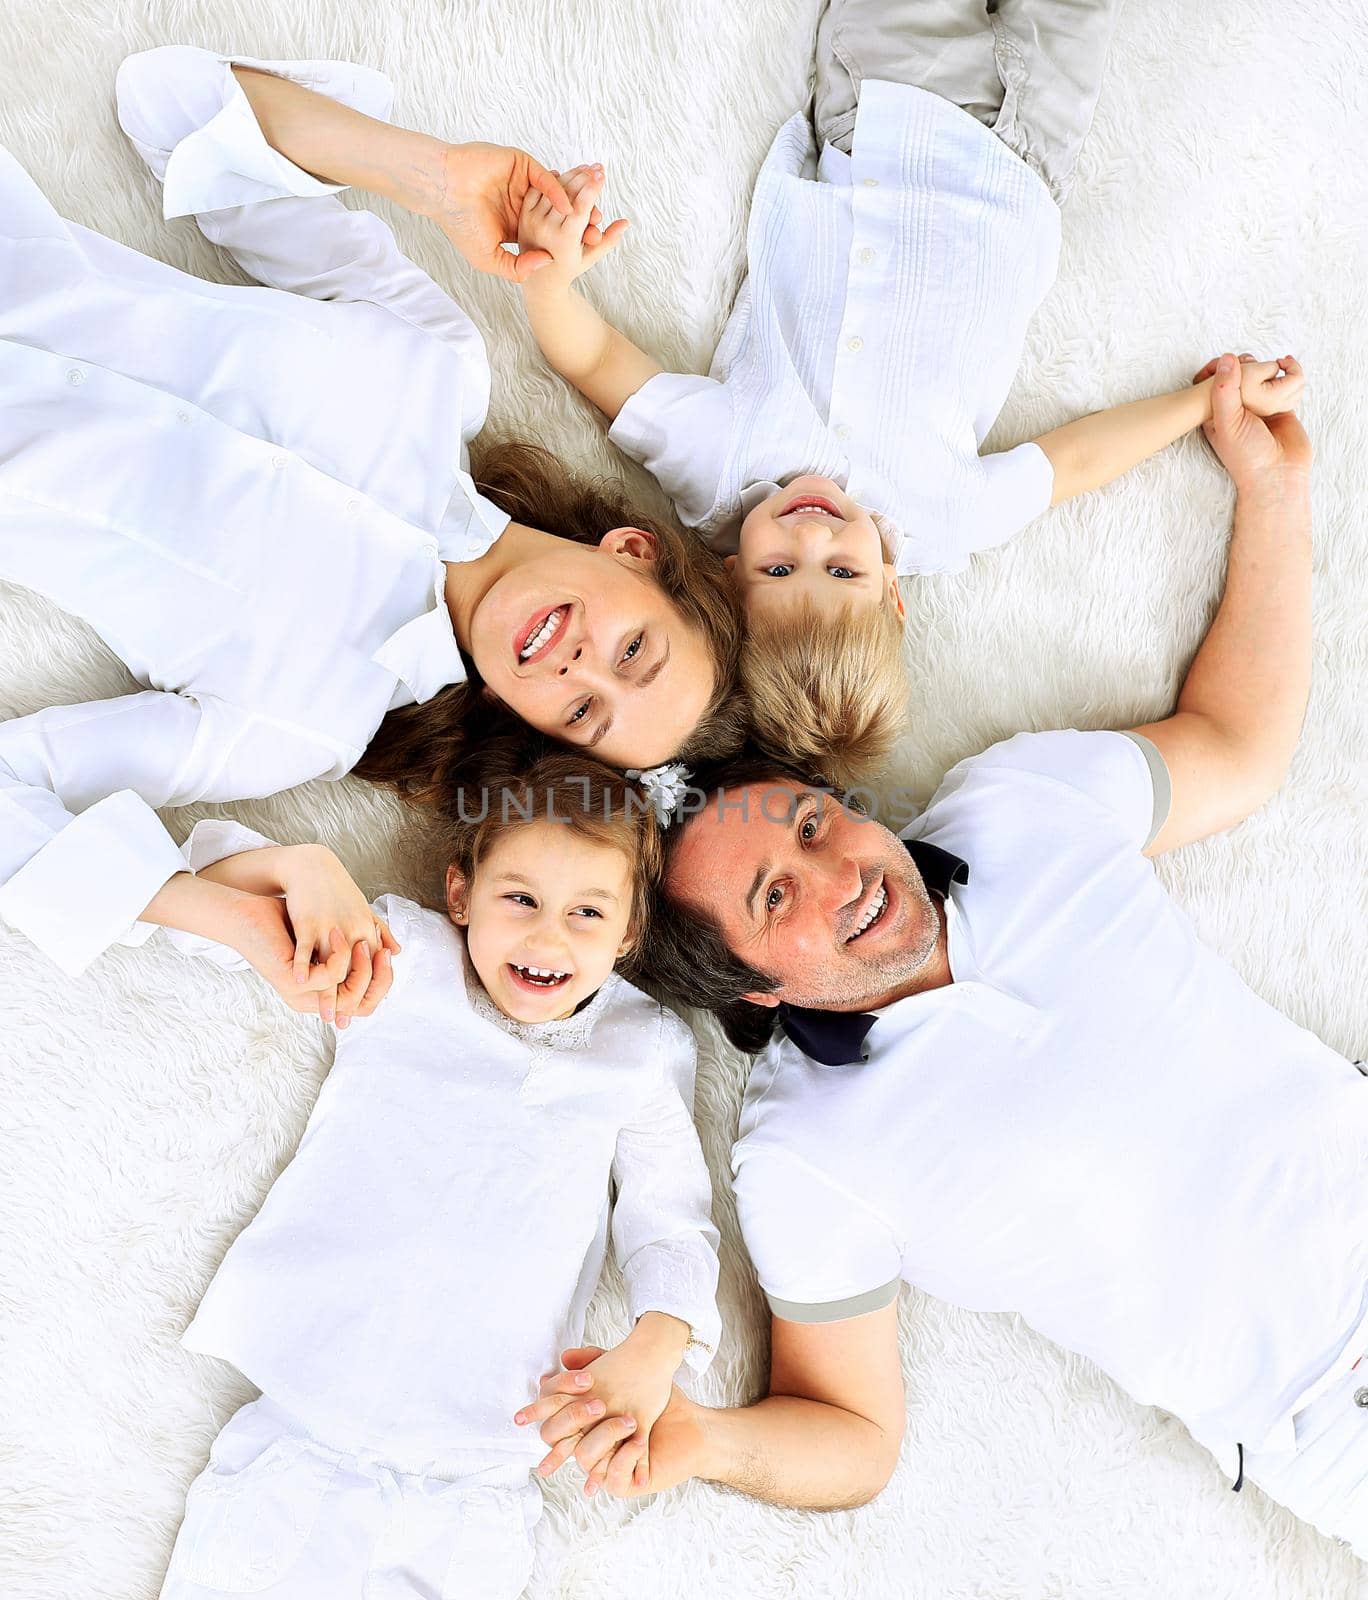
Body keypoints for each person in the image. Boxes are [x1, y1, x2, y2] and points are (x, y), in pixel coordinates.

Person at [523, 365, 1367, 1558]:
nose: (842, 875)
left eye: (815, 827)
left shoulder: (1017, 803)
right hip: (1324, 1420)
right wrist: (706, 1443)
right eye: (778, 896)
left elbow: (1235, 743)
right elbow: (853, 1433)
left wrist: (1276, 495)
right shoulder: (805, 1155)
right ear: (752, 988)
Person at [0, 45, 743, 1022]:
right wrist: (434, 177)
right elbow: (173, 107)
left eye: (583, 716)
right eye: (632, 649)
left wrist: (232, 907)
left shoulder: (304, 717)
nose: (577, 667)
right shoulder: (436, 366)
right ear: (635, 552)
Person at [511, 0, 1301, 787]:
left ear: (726, 577)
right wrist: (1204, 404)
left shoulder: (720, 471)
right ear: (893, 594)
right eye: (843, 573)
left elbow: (600, 364)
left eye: (779, 572)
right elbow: (1076, 460)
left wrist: (550, 280)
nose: (812, 539)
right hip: (1029, 159)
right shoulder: (940, 520)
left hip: (890, 111)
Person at [149, 740, 720, 1598]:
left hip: (480, 1479)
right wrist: (296, 865)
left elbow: (671, 1216)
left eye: (587, 915)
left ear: (631, 933)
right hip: (309, 1431)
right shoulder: (402, 963)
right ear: (461, 893)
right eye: (519, 898)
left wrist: (656, 1345)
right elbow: (209, 899)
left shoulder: (640, 1052)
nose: (545, 936)